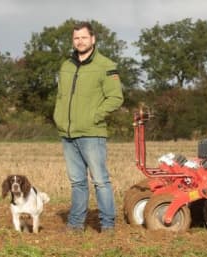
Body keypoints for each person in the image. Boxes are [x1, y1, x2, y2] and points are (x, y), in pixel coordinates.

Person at [53, 21, 124, 232]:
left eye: (84, 37)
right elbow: (60, 96)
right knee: (77, 182)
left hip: (92, 133)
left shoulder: (106, 66)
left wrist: (95, 116)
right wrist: (58, 117)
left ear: (93, 39)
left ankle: (108, 225)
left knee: (100, 181)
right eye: (76, 38)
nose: (80, 41)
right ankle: (75, 225)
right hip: (68, 133)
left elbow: (115, 98)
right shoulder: (66, 65)